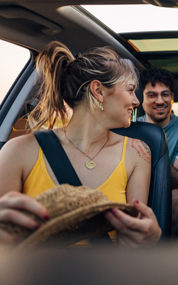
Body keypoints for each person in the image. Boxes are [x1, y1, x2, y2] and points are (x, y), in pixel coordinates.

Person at [0, 41, 161, 247]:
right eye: (130, 90)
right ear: (98, 91)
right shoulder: (19, 151)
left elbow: (130, 244)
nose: (136, 101)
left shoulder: (137, 153)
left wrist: (146, 241)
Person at [137, 68, 178, 235]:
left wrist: (155, 147)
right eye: (152, 95)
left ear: (172, 97)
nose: (160, 101)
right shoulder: (131, 127)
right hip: (135, 189)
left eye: (165, 94)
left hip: (168, 195)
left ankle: (163, 252)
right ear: (140, 99)